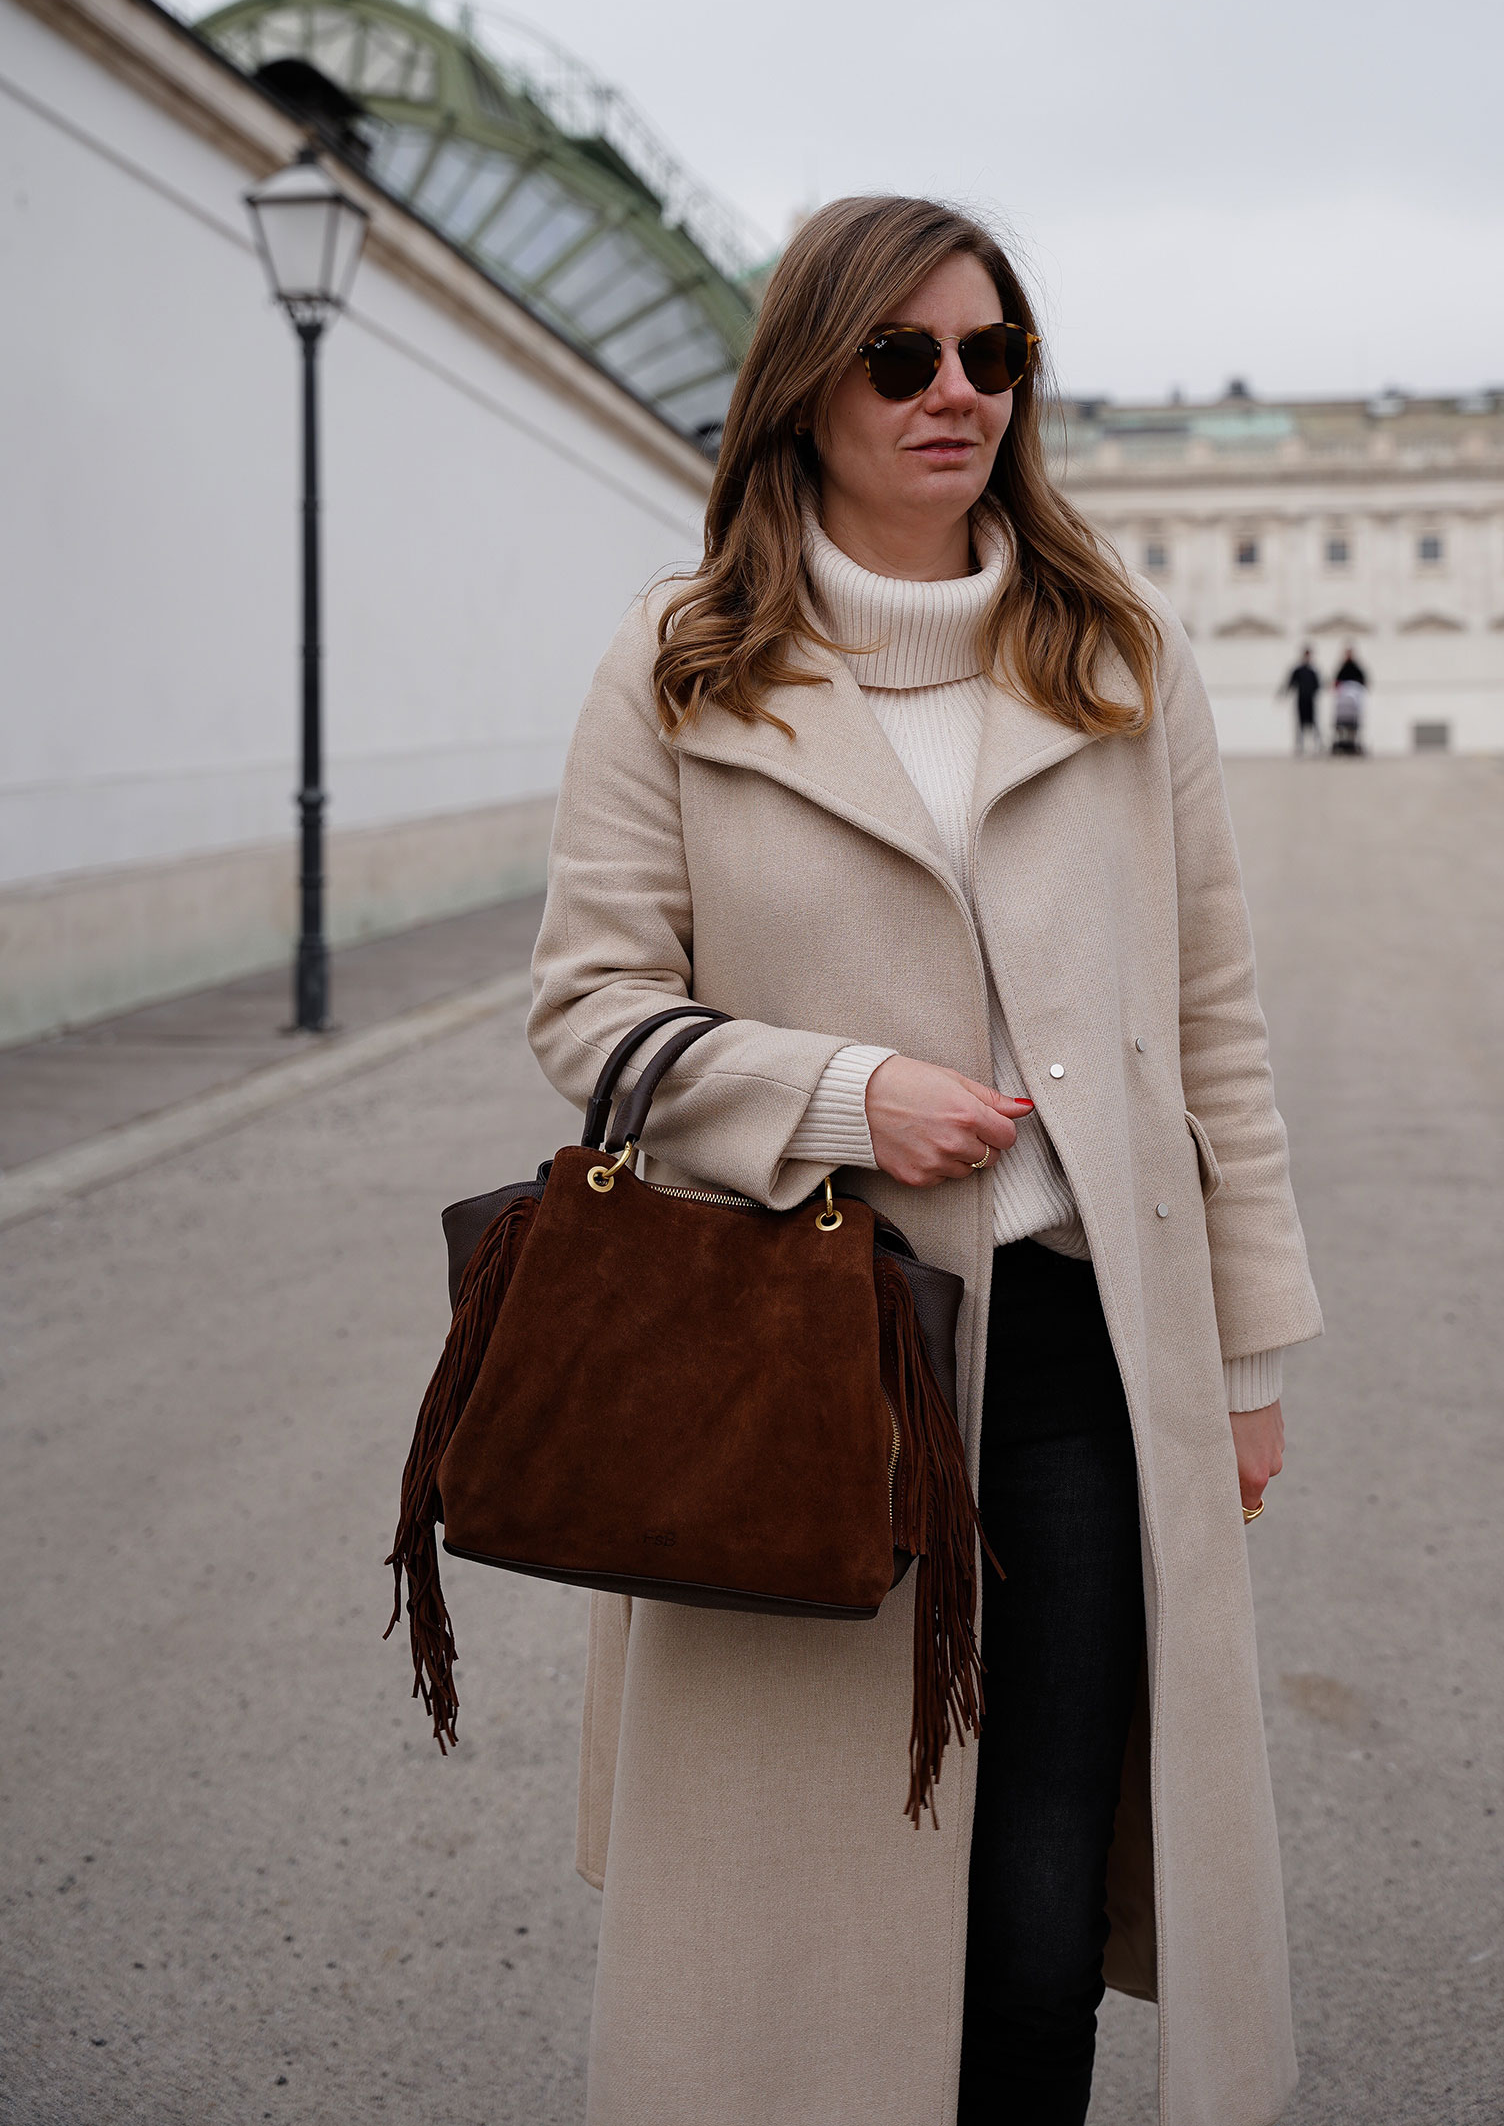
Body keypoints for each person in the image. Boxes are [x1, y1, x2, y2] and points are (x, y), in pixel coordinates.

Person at [528, 196, 1323, 2126]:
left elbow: (1214, 1020)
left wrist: (1245, 1353)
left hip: (1076, 1350)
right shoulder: (682, 661)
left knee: (1038, 1921)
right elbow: (588, 1003)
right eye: (903, 357)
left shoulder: (1117, 655)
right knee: (809, 1925)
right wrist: (838, 1094)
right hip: (797, 1348)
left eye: (992, 354)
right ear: (807, 385)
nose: (954, 392)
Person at [1282, 646, 1323, 753]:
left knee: (1314, 723)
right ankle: (1300, 745)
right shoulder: (1298, 670)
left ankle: (1318, 744)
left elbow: (1318, 685)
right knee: (1300, 723)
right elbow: (1291, 683)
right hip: (1301, 700)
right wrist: (1284, 694)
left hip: (1310, 700)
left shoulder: (1313, 671)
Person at [1330, 648, 1368, 754]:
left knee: (1354, 724)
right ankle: (1343, 741)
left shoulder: (1356, 668)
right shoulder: (1342, 668)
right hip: (1344, 703)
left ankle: (1352, 742)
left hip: (1353, 701)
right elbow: (1336, 682)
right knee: (1342, 723)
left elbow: (1363, 681)